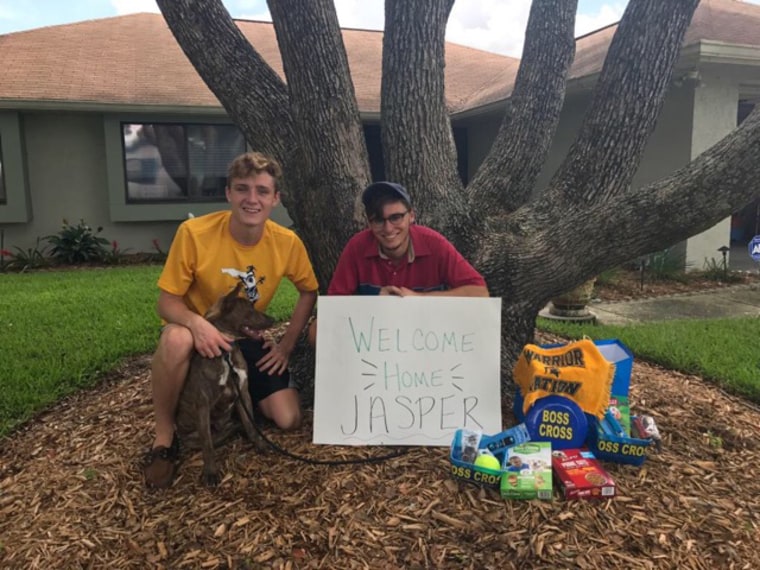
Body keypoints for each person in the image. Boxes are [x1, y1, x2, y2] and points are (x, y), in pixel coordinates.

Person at [143, 151, 318, 489]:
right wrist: (197, 325)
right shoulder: (194, 233)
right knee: (175, 338)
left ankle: (230, 411)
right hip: (196, 338)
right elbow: (165, 302)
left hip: (242, 340)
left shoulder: (286, 242)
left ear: (275, 198)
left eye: (262, 191)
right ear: (228, 194)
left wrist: (285, 346)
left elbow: (308, 291)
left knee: (288, 418)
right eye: (242, 189)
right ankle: (164, 438)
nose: (252, 199)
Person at [308, 181, 488, 344]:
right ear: (369, 223)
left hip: (427, 340)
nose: (388, 228)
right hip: (373, 338)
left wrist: (417, 300)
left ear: (411, 216)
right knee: (317, 331)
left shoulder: (434, 244)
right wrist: (377, 305)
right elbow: (334, 309)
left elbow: (480, 294)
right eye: (378, 220)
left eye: (396, 217)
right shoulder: (357, 247)